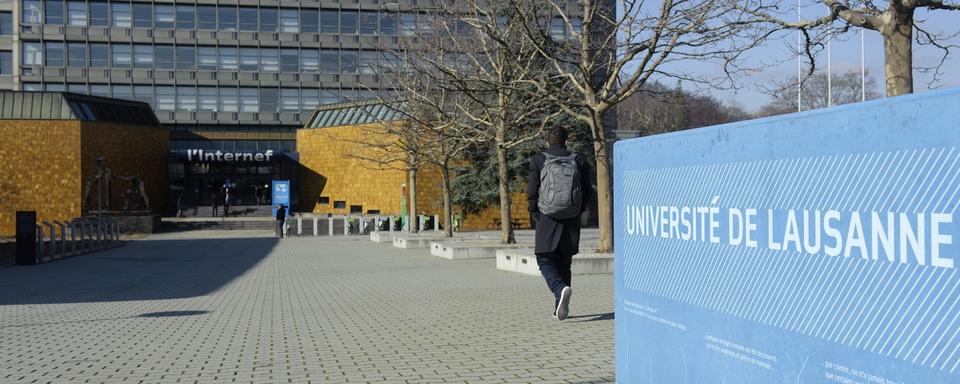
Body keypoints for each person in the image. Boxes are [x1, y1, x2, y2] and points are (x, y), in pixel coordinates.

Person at [527, 127, 592, 321]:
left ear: (548, 141)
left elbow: (532, 189)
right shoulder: (578, 160)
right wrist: (578, 211)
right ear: (566, 140)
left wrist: (534, 212)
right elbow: (588, 191)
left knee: (544, 259)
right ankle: (560, 308)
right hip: (571, 217)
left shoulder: (539, 160)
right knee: (565, 262)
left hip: (547, 217)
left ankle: (559, 288)